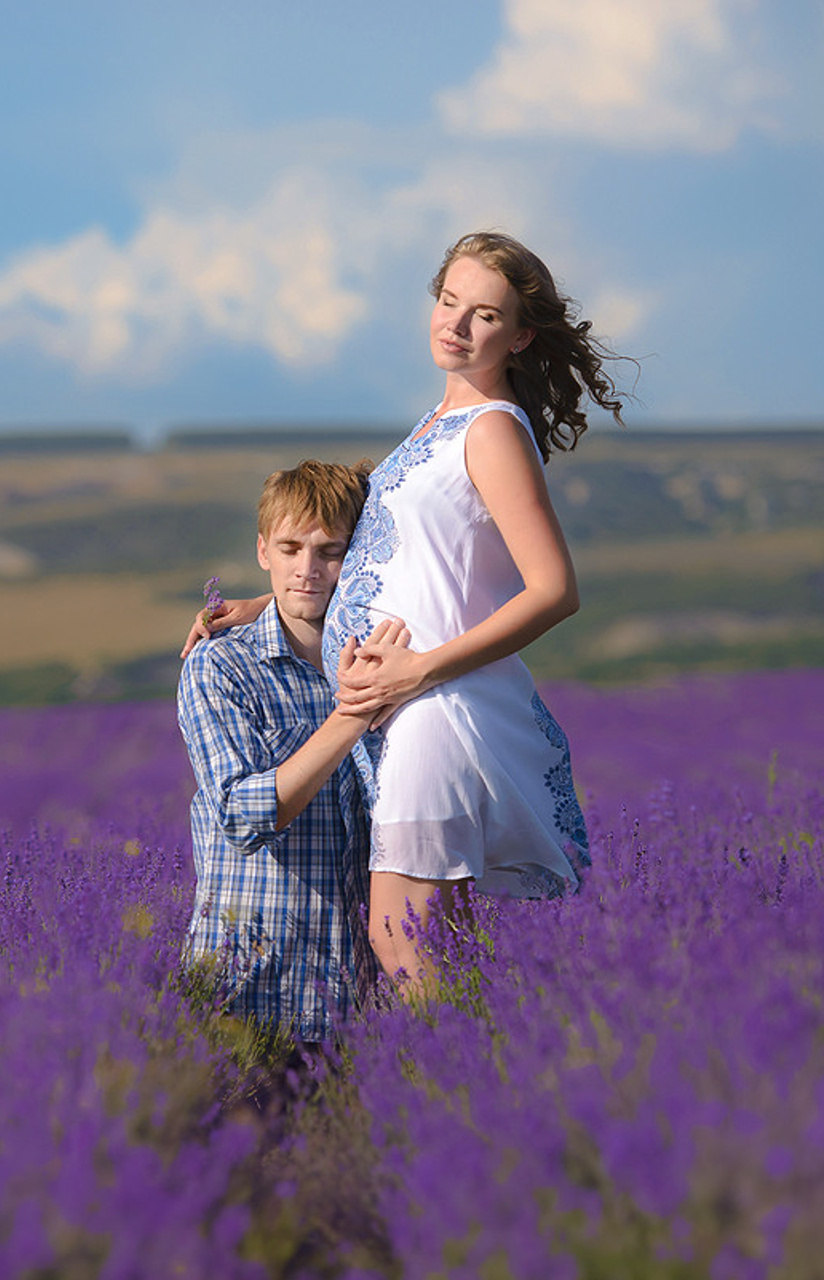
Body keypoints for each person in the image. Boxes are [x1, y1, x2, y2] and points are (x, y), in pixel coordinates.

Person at [186, 230, 631, 999]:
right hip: (403, 714)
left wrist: (417, 671)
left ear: (520, 336)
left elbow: (555, 589)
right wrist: (267, 602)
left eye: (484, 314)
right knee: (428, 947)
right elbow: (397, 560)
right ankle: (482, 1065)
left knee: (402, 941)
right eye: (449, 301)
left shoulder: (491, 428)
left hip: (432, 713)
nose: (455, 324)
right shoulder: (436, 423)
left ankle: (459, 1069)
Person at [178, 459, 398, 1045]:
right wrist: (351, 715)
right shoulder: (221, 666)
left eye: (330, 552)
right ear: (262, 551)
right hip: (248, 999)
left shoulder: (386, 664)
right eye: (290, 548)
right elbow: (240, 814)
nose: (307, 569)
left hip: (357, 1005)